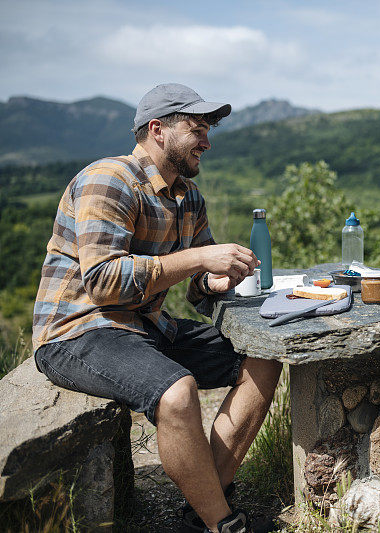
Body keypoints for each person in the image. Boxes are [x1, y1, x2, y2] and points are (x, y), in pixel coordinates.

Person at [31, 83, 282, 533]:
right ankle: (223, 524)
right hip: (78, 330)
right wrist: (198, 260)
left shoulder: (189, 198)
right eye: (196, 129)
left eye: (207, 131)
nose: (206, 142)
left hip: (147, 326)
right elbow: (104, 282)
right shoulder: (108, 179)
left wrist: (215, 279)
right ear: (157, 130)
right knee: (177, 390)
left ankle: (205, 502)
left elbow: (197, 286)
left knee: (263, 355)